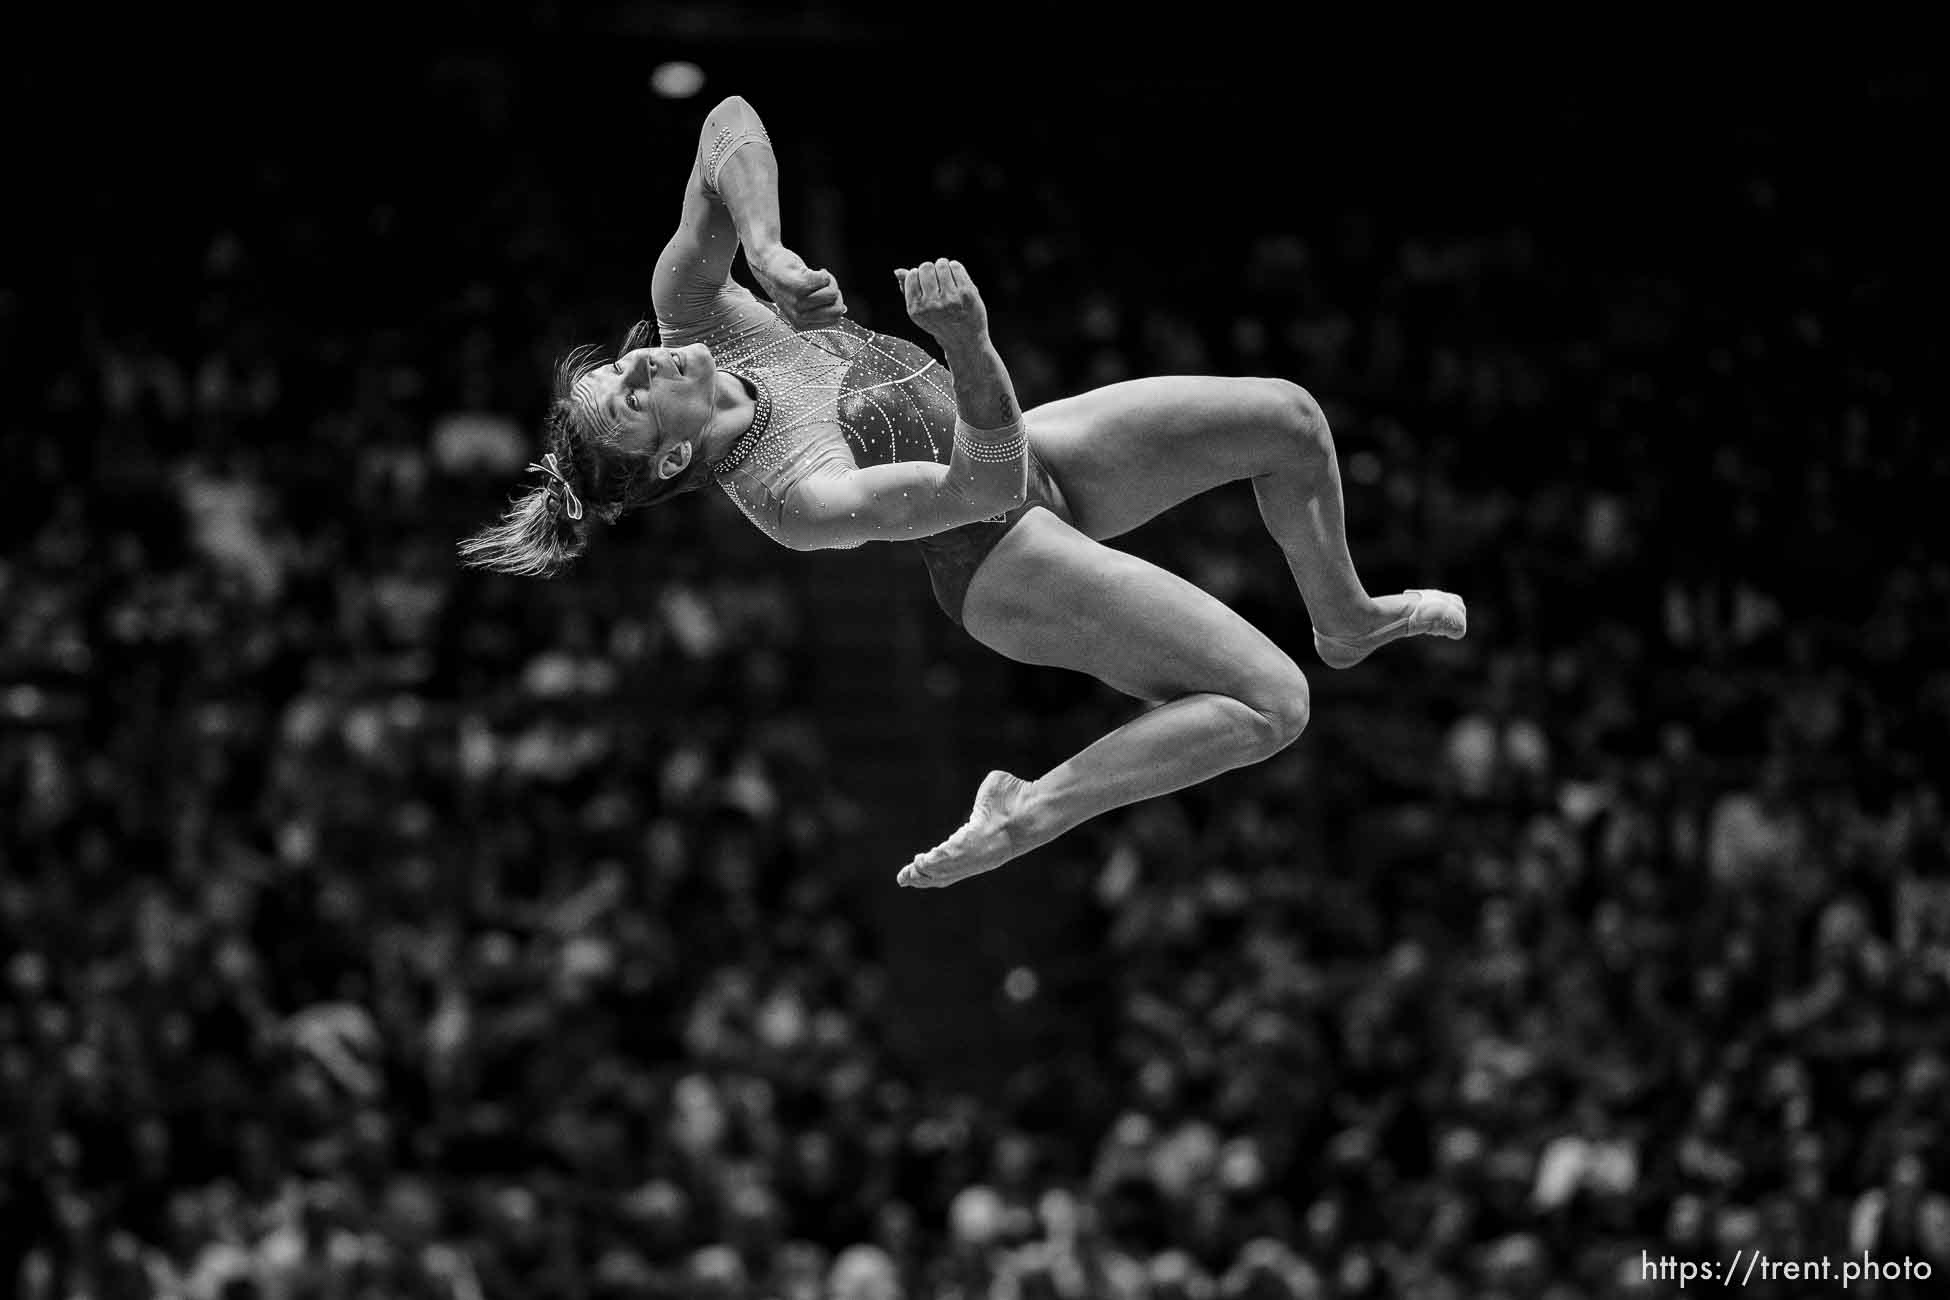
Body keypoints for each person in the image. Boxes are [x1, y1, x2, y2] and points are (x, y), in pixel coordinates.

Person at [460, 95, 1466, 890]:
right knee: (1272, 703)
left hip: (1036, 452)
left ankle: (1347, 617)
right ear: (672, 461)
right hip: (997, 555)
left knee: (1287, 420)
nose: (639, 368)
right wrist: (970, 341)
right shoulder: (792, 495)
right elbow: (979, 483)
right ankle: (1034, 804)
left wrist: (763, 249)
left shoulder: (693, 309)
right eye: (631, 402)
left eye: (621, 370)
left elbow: (727, 122)